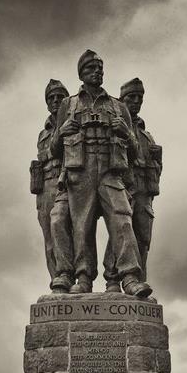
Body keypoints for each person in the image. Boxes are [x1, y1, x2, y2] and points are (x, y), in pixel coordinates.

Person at [49, 50, 151, 297]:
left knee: (122, 219)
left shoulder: (118, 106)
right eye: (90, 69)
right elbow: (54, 150)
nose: (96, 73)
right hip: (80, 172)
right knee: (81, 227)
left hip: (110, 172)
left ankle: (129, 277)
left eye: (100, 69)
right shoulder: (68, 104)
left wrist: (126, 132)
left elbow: (136, 151)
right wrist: (62, 131)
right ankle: (83, 278)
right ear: (81, 74)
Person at [103, 77, 162, 290]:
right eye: (131, 97)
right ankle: (112, 278)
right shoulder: (115, 125)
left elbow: (155, 169)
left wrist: (159, 158)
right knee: (121, 230)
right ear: (122, 100)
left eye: (139, 97)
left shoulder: (147, 135)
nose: (136, 101)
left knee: (143, 237)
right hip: (124, 185)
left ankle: (139, 280)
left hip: (145, 191)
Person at [29, 79, 73, 290]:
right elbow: (44, 155)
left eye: (59, 97)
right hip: (46, 184)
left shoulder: (74, 123)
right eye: (51, 98)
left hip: (69, 182)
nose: (55, 101)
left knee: (67, 230)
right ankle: (58, 281)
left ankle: (71, 277)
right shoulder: (44, 132)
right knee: (49, 237)